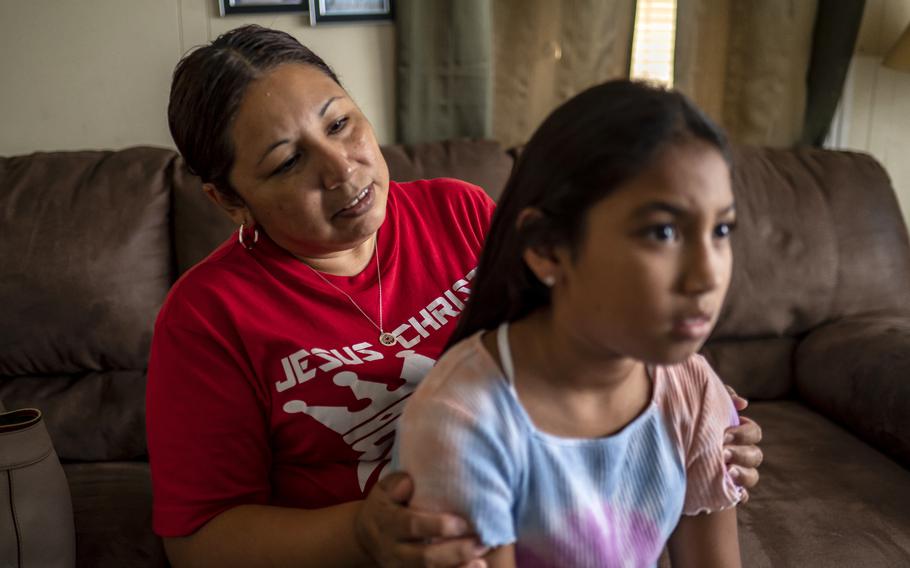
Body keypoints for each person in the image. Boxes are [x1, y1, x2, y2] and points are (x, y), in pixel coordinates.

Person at [146, 25, 763, 567]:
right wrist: (362, 534)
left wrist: (678, 419)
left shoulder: (459, 212)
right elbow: (198, 539)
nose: (342, 168)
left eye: (341, 123)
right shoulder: (207, 316)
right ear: (228, 200)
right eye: (287, 162)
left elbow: (578, 341)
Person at [395, 80, 746, 567]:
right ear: (546, 249)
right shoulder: (463, 421)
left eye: (721, 229)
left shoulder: (693, 389)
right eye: (662, 232)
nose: (707, 275)